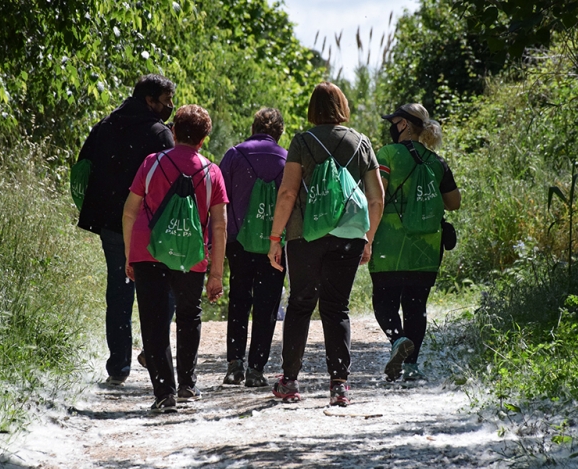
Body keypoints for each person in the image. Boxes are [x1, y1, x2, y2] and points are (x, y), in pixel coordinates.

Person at [267, 82, 384, 406]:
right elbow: (376, 199)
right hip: (349, 236)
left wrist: (275, 237)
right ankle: (339, 386)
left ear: (313, 109)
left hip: (305, 235)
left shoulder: (303, 141)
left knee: (301, 303)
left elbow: (288, 192)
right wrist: (368, 239)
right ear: (342, 106)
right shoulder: (361, 143)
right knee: (336, 307)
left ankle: (289, 382)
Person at [122, 104, 228, 414]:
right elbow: (219, 225)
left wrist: (130, 253)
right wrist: (217, 273)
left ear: (173, 131)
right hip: (189, 252)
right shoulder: (212, 172)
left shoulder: (151, 163)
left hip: (148, 249)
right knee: (188, 314)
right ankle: (187, 384)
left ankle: (164, 392)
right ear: (204, 138)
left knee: (154, 320)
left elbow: (130, 211)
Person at [76, 74, 176, 385]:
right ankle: (152, 348)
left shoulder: (105, 126)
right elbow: (172, 181)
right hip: (150, 227)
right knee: (162, 288)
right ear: (150, 100)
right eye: (166, 102)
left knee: (119, 293)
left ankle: (118, 367)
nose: (170, 107)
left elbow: (82, 168)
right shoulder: (159, 134)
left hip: (112, 225)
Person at [370, 103, 461, 382]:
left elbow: (378, 196)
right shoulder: (436, 161)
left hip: (389, 246)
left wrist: (366, 236)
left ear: (404, 124)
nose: (391, 126)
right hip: (427, 249)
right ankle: (412, 367)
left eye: (394, 121)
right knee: (415, 305)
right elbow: (454, 202)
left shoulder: (386, 154)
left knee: (384, 301)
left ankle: (397, 340)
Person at [219, 108, 288, 387]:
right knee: (267, 305)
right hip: (276, 245)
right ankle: (256, 369)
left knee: (239, 299)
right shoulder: (288, 159)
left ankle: (235, 365)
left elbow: (220, 198)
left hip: (238, 243)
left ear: (253, 127)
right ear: (279, 132)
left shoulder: (234, 154)